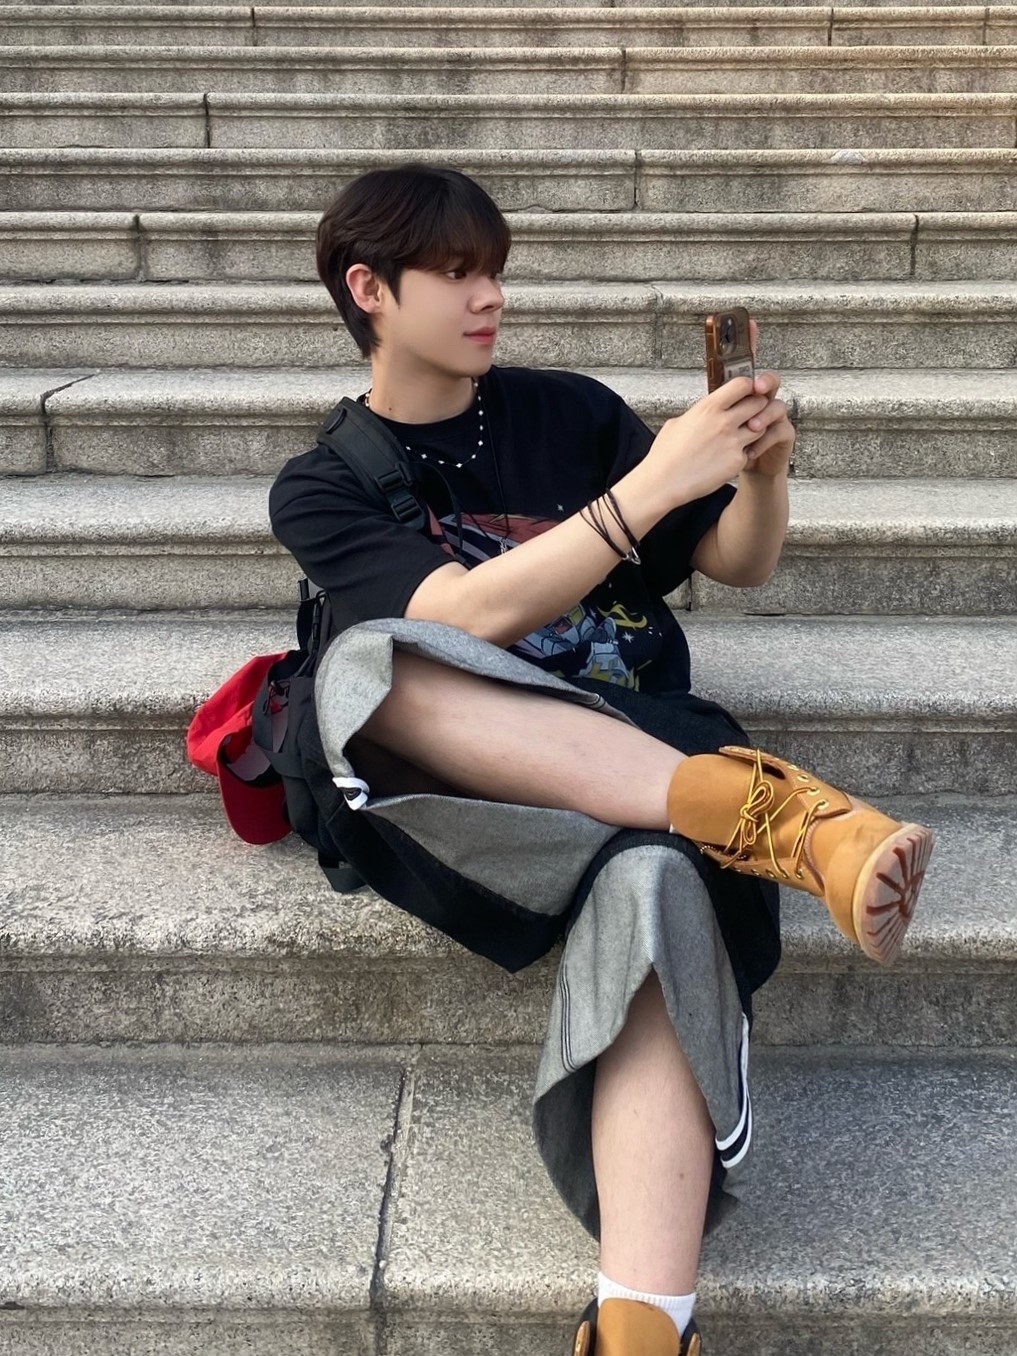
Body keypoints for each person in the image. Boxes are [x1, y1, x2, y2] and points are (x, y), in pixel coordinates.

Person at [268, 164, 934, 1356]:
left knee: (655, 887)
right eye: (457, 273)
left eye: (495, 271)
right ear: (369, 290)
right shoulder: (324, 485)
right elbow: (461, 618)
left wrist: (760, 474)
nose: (490, 296)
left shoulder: (568, 413)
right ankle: (777, 820)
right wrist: (646, 487)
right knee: (366, 666)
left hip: (644, 756)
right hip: (488, 795)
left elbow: (737, 562)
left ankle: (641, 1328)